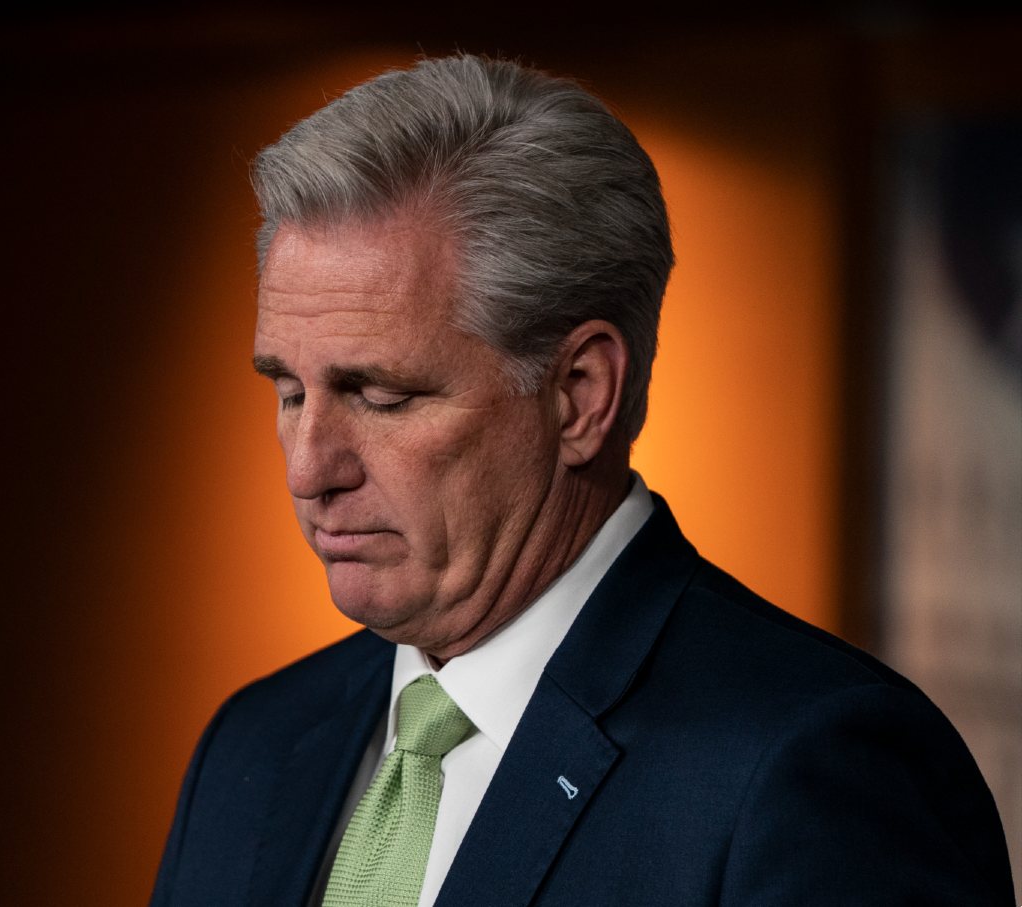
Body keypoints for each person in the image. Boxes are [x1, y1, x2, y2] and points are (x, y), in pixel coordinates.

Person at [149, 55, 1013, 907]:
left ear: (578, 396)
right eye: (289, 391)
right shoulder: (252, 746)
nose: (308, 468)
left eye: (379, 396)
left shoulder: (810, 772)